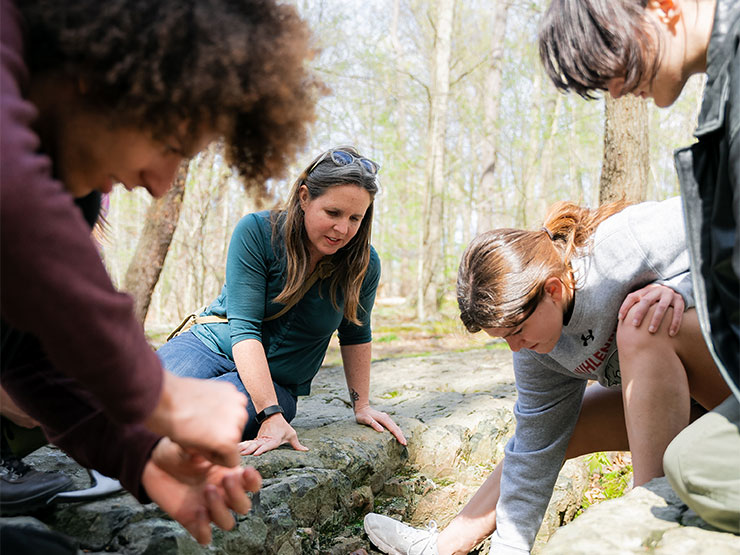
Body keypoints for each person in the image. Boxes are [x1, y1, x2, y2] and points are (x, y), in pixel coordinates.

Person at [1, 0, 318, 546]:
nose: (157, 182)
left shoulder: (68, 193)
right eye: (170, 146)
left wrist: (145, 456)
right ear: (107, 75)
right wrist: (158, 395)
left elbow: (32, 363)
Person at [364, 197, 732, 554]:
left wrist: (681, 288)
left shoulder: (623, 243)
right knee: (558, 427)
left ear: (553, 289)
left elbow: (728, 217)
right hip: (692, 409)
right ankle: (446, 548)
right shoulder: (536, 351)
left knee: (641, 323)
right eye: (504, 339)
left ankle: (650, 512)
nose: (515, 347)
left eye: (516, 331)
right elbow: (534, 450)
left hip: (729, 383)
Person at [537, 0, 739, 535]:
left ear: (666, 10)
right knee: (688, 466)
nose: (620, 91)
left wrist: (683, 284)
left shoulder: (623, 245)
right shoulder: (722, 87)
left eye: (619, 66)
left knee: (695, 472)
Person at [157, 146, 407, 455]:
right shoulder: (257, 232)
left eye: (355, 218)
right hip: (211, 347)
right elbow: (245, 329)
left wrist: (362, 406)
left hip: (276, 383)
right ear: (304, 197)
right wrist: (271, 416)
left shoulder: (364, 265)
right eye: (333, 213)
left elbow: (356, 333)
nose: (342, 229)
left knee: (187, 424)